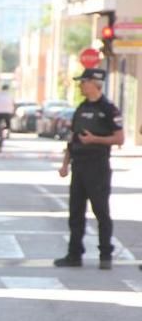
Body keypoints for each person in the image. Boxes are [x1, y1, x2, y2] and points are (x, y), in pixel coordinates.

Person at [54, 68, 124, 270]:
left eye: (83, 82)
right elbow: (73, 138)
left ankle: (105, 255)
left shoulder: (109, 109)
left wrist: (95, 140)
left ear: (95, 83)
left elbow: (119, 138)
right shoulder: (81, 108)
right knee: (75, 212)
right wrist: (65, 164)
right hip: (79, 167)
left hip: (98, 167)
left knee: (101, 211)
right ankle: (74, 254)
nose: (80, 86)